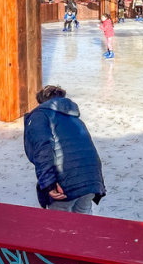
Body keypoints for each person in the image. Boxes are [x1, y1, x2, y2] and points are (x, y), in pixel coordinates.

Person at [24, 85, 106, 213]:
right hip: (91, 180)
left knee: (59, 225)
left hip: (65, 183)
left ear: (40, 101)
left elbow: (43, 150)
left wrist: (49, 184)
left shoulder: (40, 116)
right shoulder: (75, 118)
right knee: (83, 224)